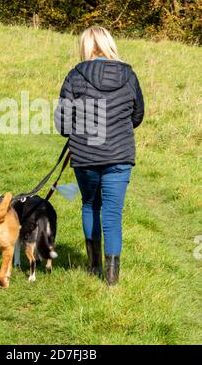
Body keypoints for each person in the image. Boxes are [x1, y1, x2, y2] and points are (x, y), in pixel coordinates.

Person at [54, 26, 144, 285]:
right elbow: (137, 116)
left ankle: (93, 268)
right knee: (113, 215)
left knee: (90, 205)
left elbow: (62, 124)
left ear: (85, 47)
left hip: (85, 156)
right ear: (109, 45)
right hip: (120, 155)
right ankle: (112, 281)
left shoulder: (75, 75)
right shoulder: (129, 75)